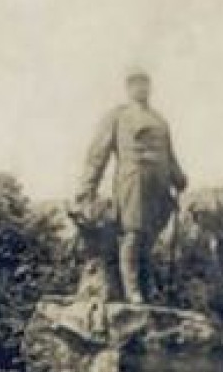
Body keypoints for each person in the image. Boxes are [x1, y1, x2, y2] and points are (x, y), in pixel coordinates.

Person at [77, 66, 188, 304]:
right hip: (132, 179)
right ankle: (132, 289)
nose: (141, 88)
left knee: (149, 237)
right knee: (133, 233)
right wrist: (87, 190)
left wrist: (178, 176)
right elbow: (97, 154)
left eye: (145, 83)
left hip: (157, 183)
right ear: (128, 88)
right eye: (135, 83)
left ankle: (148, 288)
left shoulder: (160, 120)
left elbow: (169, 155)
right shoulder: (118, 116)